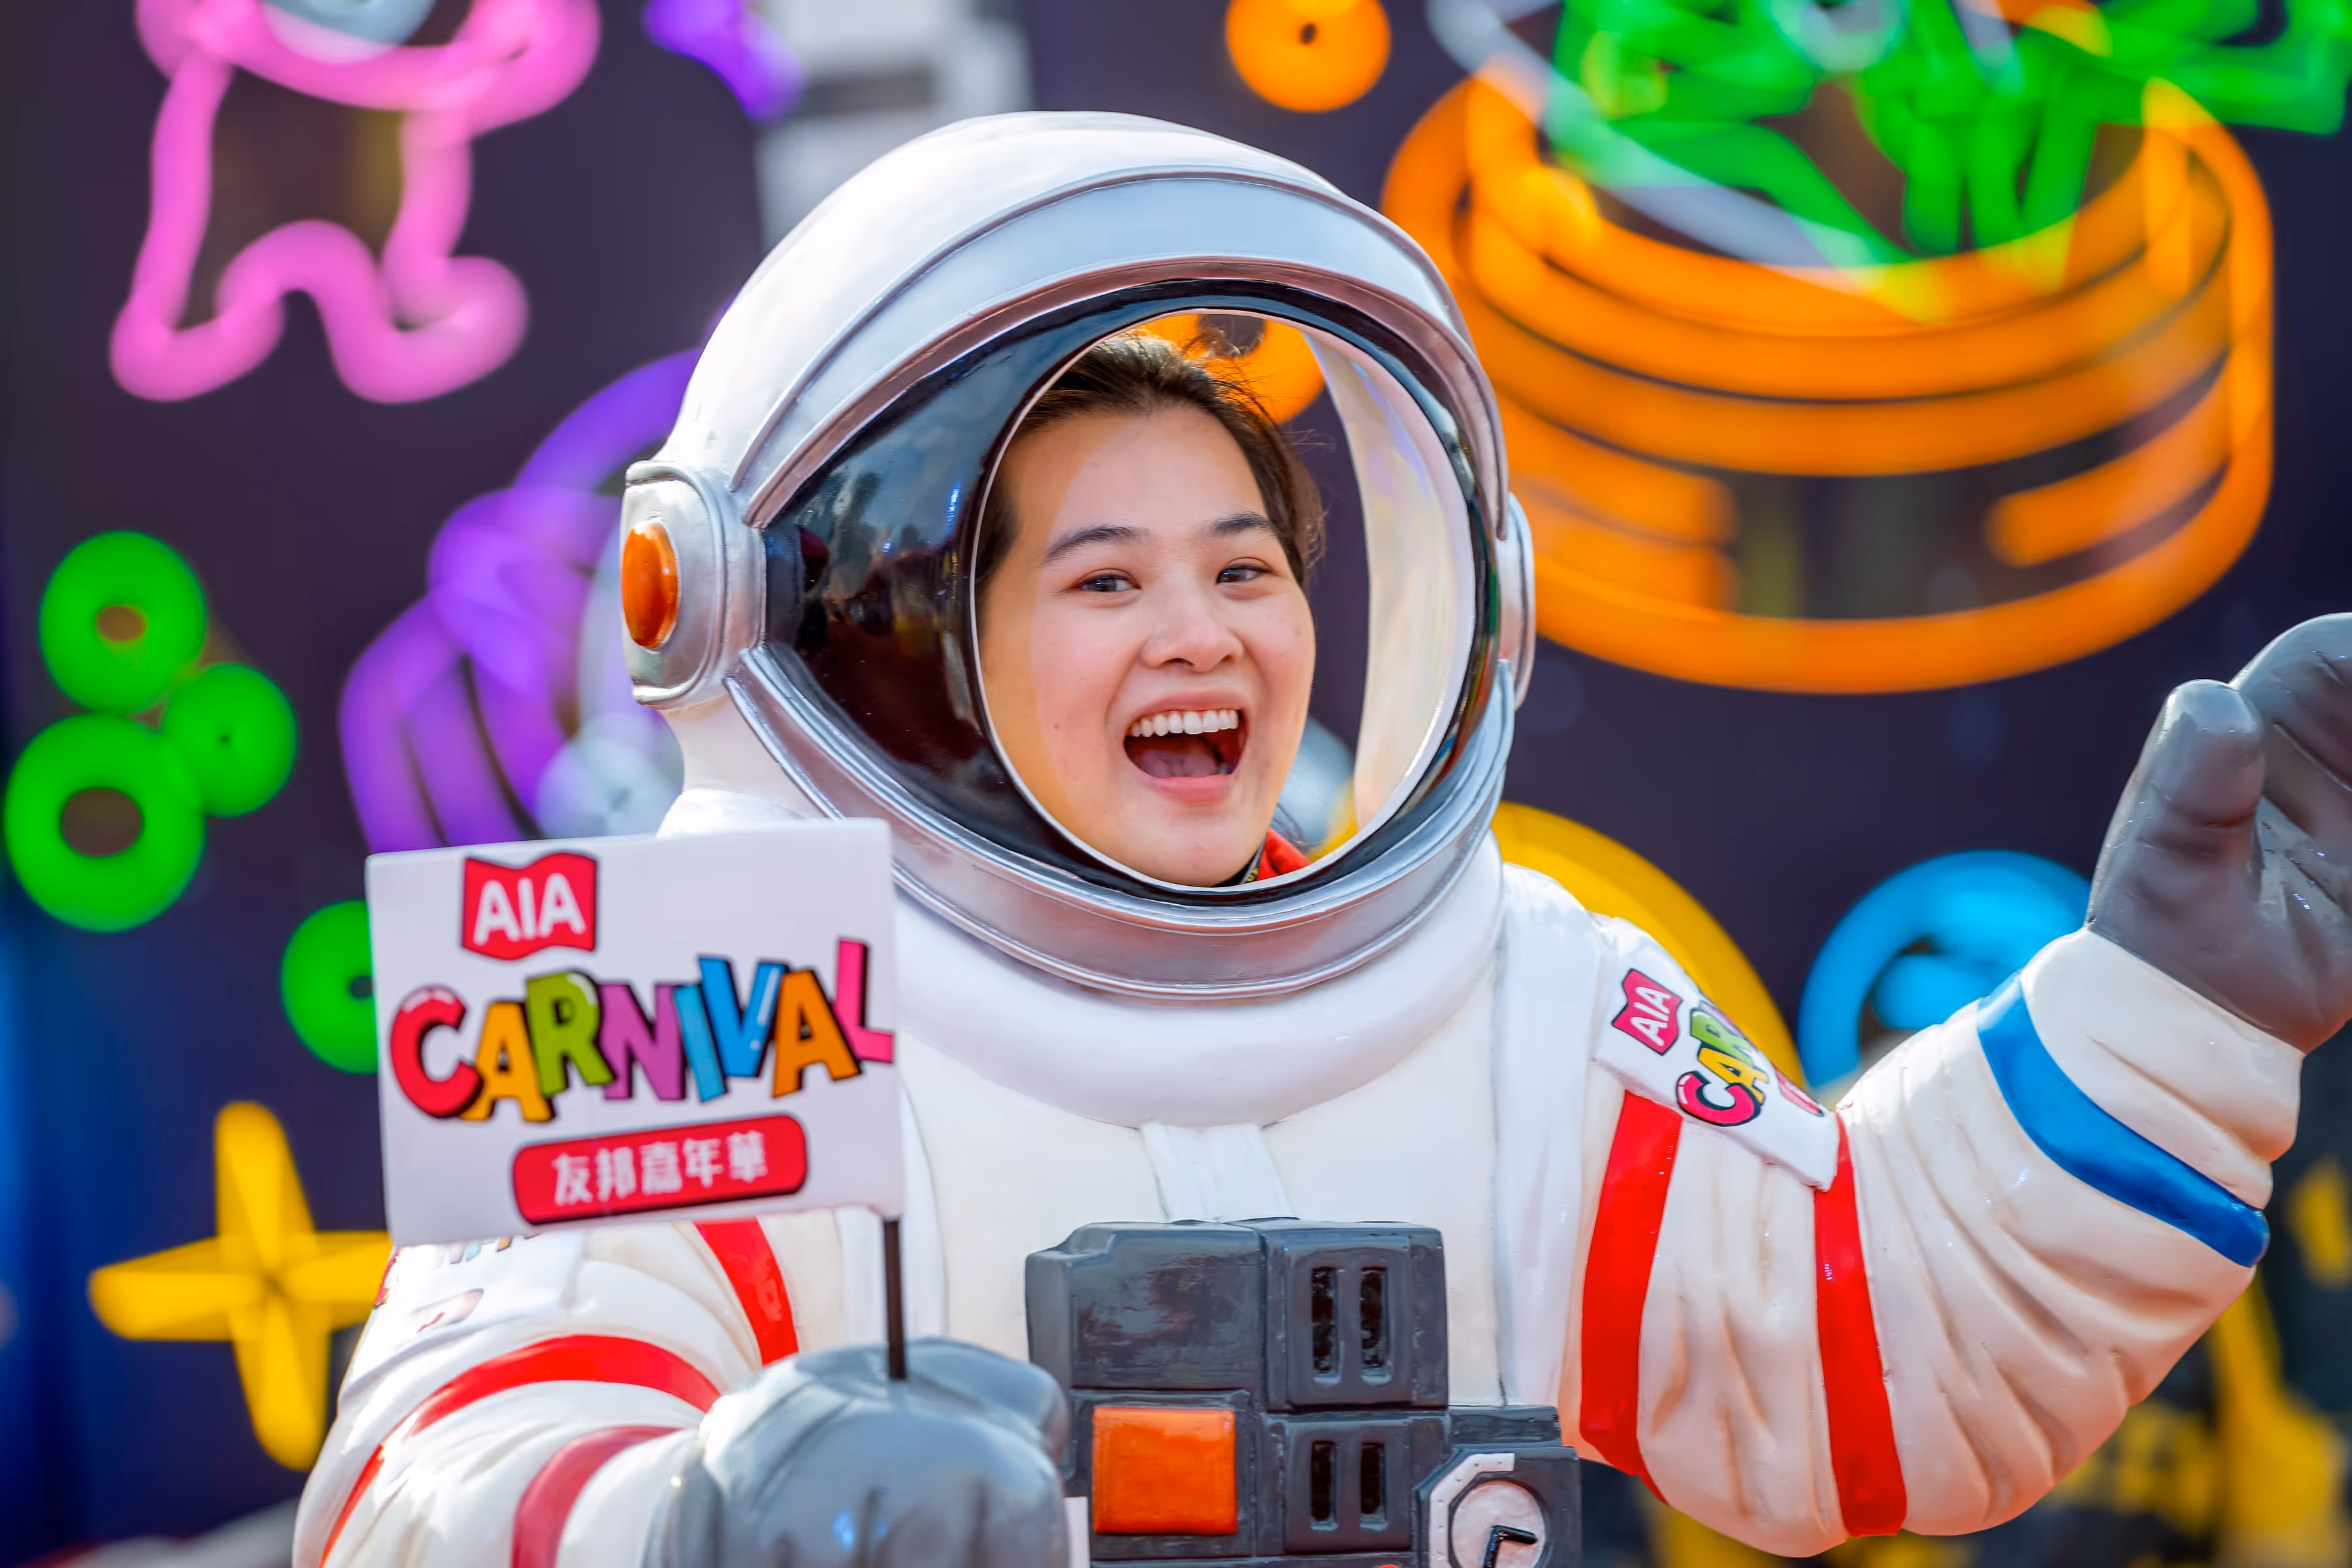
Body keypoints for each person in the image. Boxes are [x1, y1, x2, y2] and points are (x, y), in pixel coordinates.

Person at [294, 112, 2352, 1568]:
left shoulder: (1515, 1004)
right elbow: (438, 1478)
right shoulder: (713, 1012)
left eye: (1248, 564)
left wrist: (2165, 1021)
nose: (1204, 631)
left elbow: (1864, 1339)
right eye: (1101, 582)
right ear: (889, 641)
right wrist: (708, 1523)